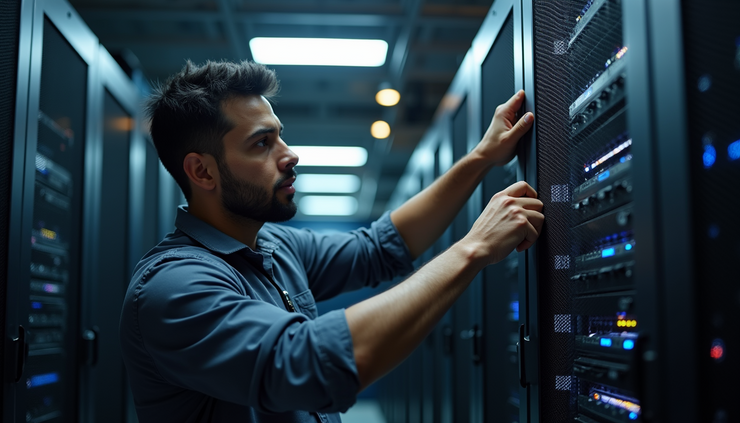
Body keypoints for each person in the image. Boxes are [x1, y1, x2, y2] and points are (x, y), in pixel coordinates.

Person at [119, 60, 544, 423]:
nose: (290, 154)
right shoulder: (172, 287)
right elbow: (307, 361)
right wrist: (472, 249)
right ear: (203, 172)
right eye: (262, 143)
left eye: (280, 135)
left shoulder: (274, 247)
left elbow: (381, 246)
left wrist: (482, 158)